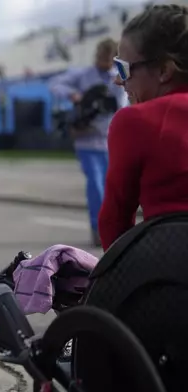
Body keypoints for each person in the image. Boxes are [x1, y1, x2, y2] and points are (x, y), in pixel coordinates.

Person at [98, 4, 188, 251]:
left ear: (164, 70)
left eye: (123, 69)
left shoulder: (135, 121)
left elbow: (114, 221)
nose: (118, 80)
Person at [48, 38, 128, 248]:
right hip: (87, 141)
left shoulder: (119, 76)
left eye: (109, 60)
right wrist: (74, 95)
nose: (104, 63)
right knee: (97, 187)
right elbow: (55, 84)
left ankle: (118, 230)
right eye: (101, 59)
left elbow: (123, 104)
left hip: (111, 140)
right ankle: (98, 230)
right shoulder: (83, 74)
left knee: (115, 188)